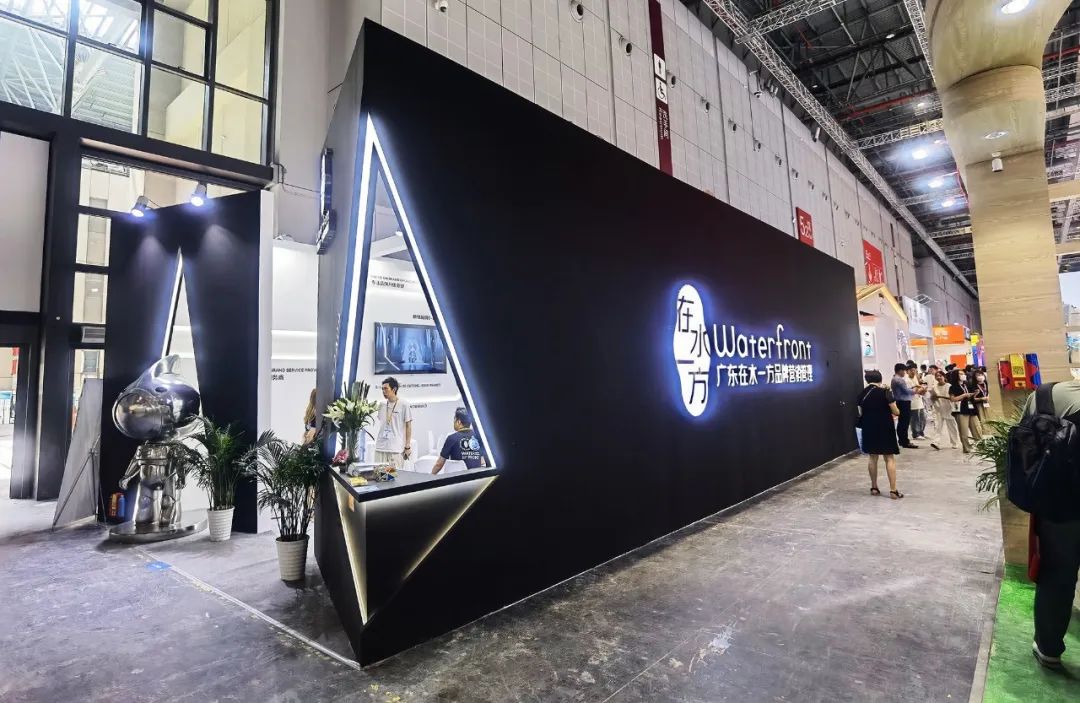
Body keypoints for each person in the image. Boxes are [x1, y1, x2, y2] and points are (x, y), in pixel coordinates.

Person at [1020, 381, 1080, 668]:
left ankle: (1049, 647)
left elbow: (1025, 445)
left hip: (1061, 505)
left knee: (1057, 574)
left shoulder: (1047, 395)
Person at [857, 370, 903, 499]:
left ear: (867, 380)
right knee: (889, 458)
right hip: (885, 427)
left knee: (873, 457)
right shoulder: (885, 392)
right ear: (880, 379)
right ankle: (893, 490)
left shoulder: (862, 394)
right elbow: (896, 411)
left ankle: (874, 487)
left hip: (868, 427)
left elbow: (860, 412)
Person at [431, 408, 487, 474]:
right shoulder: (479, 437)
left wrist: (431, 476)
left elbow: (439, 464)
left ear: (459, 422)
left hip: (459, 478)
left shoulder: (451, 438)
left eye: (454, 420)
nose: (454, 423)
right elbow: (482, 462)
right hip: (477, 477)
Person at [374, 377, 413, 469]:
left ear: (394, 389)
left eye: (386, 389)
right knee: (379, 474)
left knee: (393, 476)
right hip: (380, 447)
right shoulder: (381, 405)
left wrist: (407, 446)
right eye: (382, 389)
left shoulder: (404, 404)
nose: (383, 391)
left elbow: (408, 426)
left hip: (395, 449)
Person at [947, 369, 982, 452]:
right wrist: (964, 395)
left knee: (976, 428)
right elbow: (953, 399)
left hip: (971, 408)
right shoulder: (953, 387)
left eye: (963, 373)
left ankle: (981, 446)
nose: (963, 375)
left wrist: (975, 393)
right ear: (956, 376)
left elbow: (972, 396)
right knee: (964, 430)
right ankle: (967, 448)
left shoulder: (967, 385)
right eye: (960, 374)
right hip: (961, 410)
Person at [928, 371, 960, 450]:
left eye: (940, 375)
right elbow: (932, 398)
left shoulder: (949, 386)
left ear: (944, 376)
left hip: (949, 408)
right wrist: (933, 398)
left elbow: (953, 398)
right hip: (938, 409)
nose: (938, 377)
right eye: (937, 376)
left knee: (952, 427)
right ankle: (936, 442)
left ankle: (955, 443)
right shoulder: (934, 387)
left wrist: (940, 396)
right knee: (938, 426)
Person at [891, 363, 918, 448]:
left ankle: (902, 440)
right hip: (904, 403)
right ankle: (905, 441)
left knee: (902, 422)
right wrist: (915, 390)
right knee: (904, 423)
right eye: (904, 371)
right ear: (900, 370)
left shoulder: (894, 379)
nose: (905, 373)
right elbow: (906, 391)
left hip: (900, 402)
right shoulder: (899, 380)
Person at [907, 363, 928, 440]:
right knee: (915, 418)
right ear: (907, 371)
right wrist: (921, 388)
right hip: (912, 402)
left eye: (915, 370)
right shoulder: (906, 380)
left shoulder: (915, 378)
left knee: (923, 417)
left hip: (919, 400)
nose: (913, 372)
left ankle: (921, 432)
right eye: (911, 370)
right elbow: (913, 391)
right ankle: (916, 434)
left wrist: (923, 389)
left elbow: (918, 389)